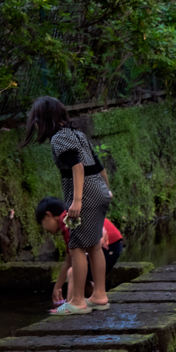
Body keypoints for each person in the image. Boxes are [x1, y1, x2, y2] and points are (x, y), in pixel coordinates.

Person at [20, 97, 113, 314]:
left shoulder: (59, 138)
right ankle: (99, 295)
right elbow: (100, 167)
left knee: (77, 246)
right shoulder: (78, 134)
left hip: (85, 195)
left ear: (43, 119)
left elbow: (77, 167)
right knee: (94, 245)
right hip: (99, 191)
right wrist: (106, 190)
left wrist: (77, 201)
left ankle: (78, 301)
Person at [36, 196, 123, 306]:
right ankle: (97, 300)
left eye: (42, 222)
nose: (45, 229)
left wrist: (58, 287)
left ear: (48, 215)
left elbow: (71, 262)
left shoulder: (67, 220)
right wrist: (58, 286)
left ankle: (72, 305)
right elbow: (68, 259)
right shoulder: (67, 219)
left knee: (73, 272)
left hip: (108, 244)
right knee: (83, 277)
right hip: (114, 244)